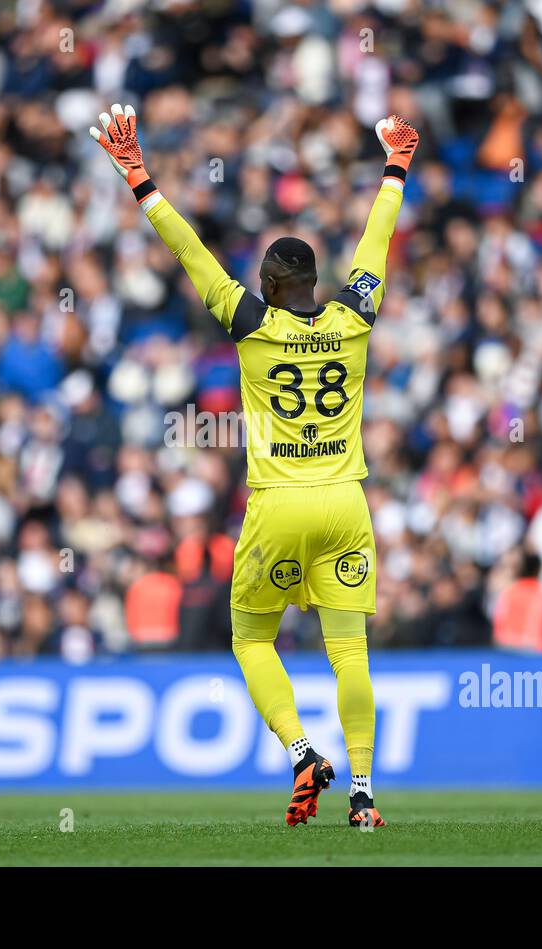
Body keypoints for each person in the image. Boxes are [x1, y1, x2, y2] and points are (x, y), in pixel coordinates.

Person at [91, 103, 419, 828]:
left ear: (270, 285)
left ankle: (303, 753)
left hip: (278, 505)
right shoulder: (354, 316)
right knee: (349, 655)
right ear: (312, 280)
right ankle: (364, 796)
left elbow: (190, 254)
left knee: (250, 637)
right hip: (345, 505)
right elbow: (378, 244)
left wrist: (140, 179)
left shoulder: (249, 324)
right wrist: (396, 164)